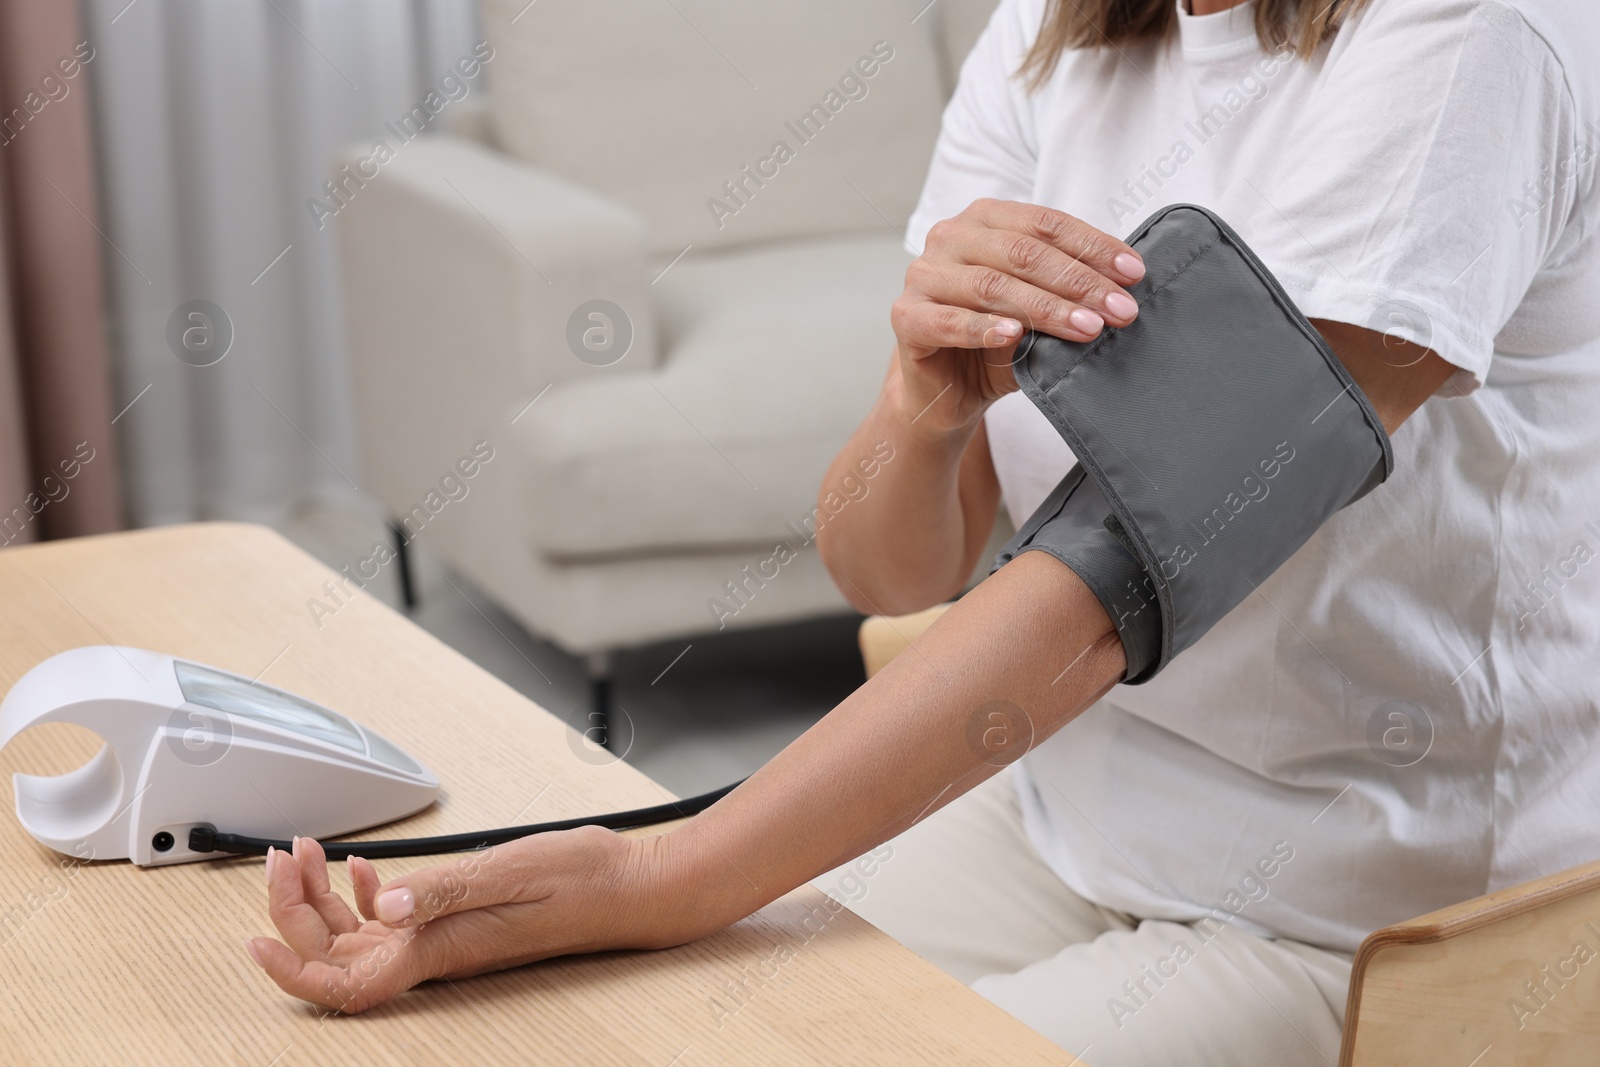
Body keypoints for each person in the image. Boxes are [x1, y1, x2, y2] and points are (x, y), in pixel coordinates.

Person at [245, 1, 1600, 1063]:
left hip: (1344, 907)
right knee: (614, 1028)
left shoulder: (1472, 34)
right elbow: (898, 571)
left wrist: (652, 873)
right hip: (1064, 815)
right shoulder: (1057, 32)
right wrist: (924, 403)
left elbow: (1134, 558)